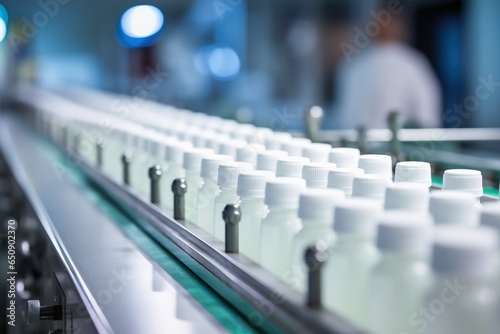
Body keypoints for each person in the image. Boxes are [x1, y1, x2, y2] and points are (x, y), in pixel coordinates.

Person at [332, 5, 442, 129]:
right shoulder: (413, 64)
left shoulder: (353, 65)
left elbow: (342, 117)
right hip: (395, 145)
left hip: (356, 143)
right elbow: (427, 116)